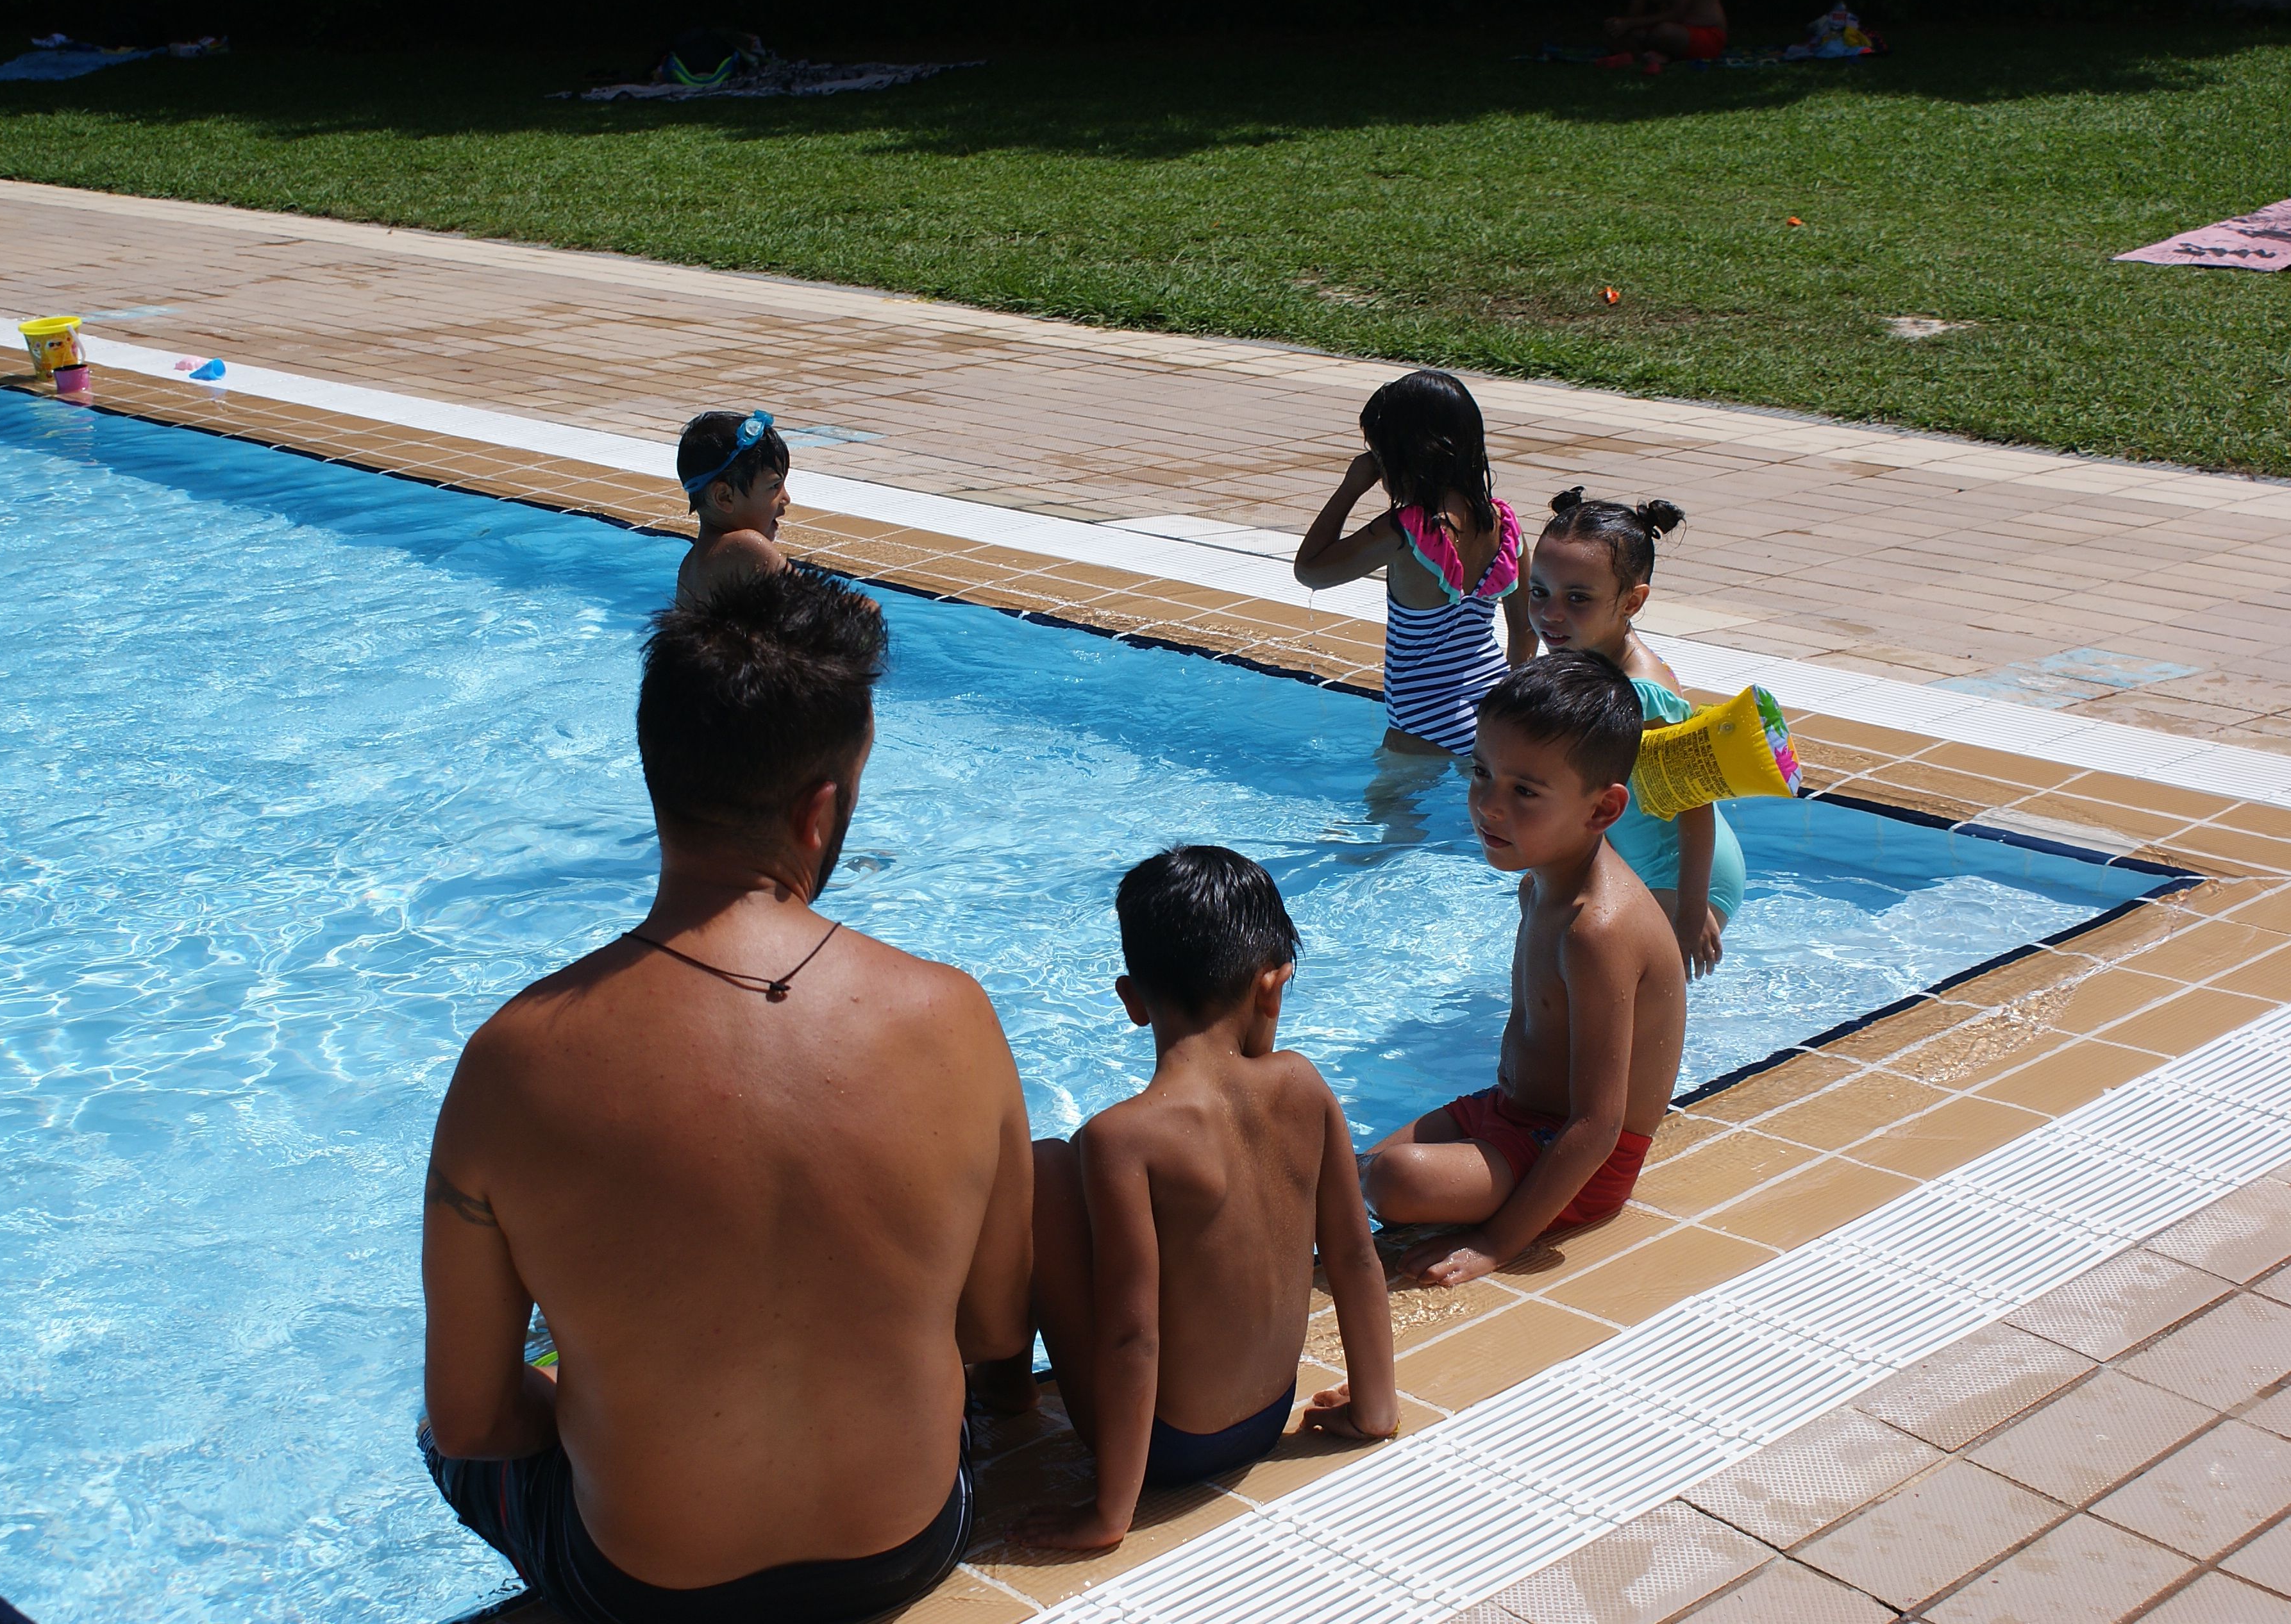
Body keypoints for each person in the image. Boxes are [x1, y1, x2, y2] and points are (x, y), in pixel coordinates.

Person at [417, 568, 1034, 1623]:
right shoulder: (954, 1020)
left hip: (648, 1587)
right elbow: (991, 1337)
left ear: (656, 774)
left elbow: (474, 1422)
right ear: (822, 807)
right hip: (905, 1548)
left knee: (465, 1403)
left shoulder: (512, 1063)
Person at [993, 846, 1398, 1550]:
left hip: (1166, 1450)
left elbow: (1132, 1335)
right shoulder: (1302, 1084)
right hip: (1267, 1416)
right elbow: (1355, 1259)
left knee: (1040, 1165)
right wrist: (1374, 1410)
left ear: (1131, 1002)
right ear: (1271, 987)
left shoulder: (1122, 1138)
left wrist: (1109, 1514)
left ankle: (1004, 1387)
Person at [1362, 654, 1687, 1287]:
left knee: (1393, 1181)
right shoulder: (1539, 885)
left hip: (1576, 1156)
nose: (1488, 805)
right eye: (1481, 773)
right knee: (1349, 1171)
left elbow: (1598, 1124)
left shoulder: (1598, 930)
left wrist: (1495, 1243)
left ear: (1601, 810)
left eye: (1524, 791)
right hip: (1509, 1112)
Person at [1293, 371, 1537, 807]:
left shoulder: (1405, 530)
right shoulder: (1505, 523)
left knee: (1386, 832)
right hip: (1492, 712)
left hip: (1420, 725)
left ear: (1402, 455)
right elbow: (1525, 631)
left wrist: (1352, 485)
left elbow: (1310, 571)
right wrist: (1511, 714)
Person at [1529, 489, 1743, 980]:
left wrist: (1691, 914)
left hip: (1682, 872)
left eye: (1577, 598)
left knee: (1608, 975)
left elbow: (1695, 803)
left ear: (1632, 601)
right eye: (1539, 592)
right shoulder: (1580, 648)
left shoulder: (1642, 696)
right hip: (1631, 849)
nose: (1551, 613)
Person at [674, 409, 791, 607]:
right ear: (724, 497)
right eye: (774, 486)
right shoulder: (745, 546)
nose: (786, 498)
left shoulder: (689, 565)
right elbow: (824, 603)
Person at [1604, 0, 1729, 64]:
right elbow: (1634, 15)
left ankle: (1652, 55)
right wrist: (1619, 25)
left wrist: (1629, 23)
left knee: (1664, 32)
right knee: (1616, 34)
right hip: (1667, 29)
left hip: (1705, 33)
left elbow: (1678, 13)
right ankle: (1646, 56)